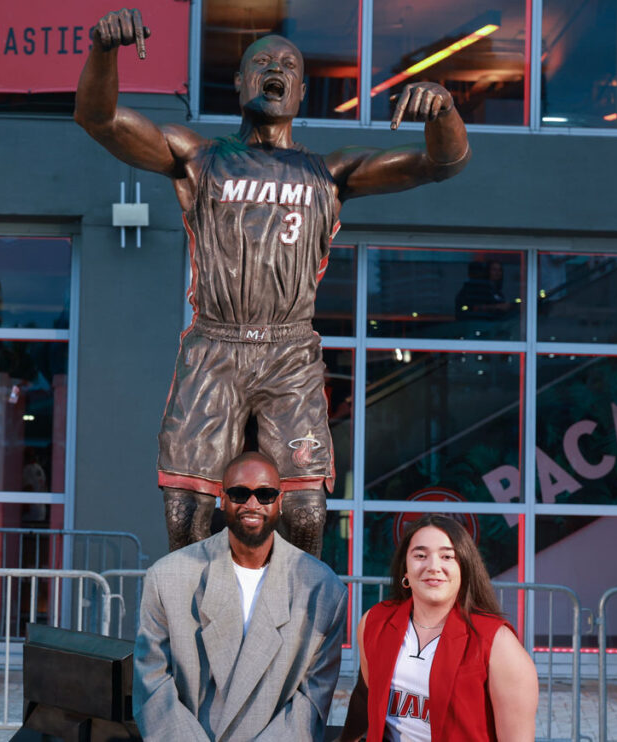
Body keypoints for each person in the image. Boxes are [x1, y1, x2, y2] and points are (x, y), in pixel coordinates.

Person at [75, 9, 472, 557]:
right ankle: (196, 634)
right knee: (187, 516)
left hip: (289, 350)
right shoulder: (198, 158)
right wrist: (102, 51)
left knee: (305, 517)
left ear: (302, 89)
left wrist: (444, 109)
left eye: (286, 63)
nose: (274, 68)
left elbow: (441, 163)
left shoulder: (329, 173)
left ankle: (291, 636)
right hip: (216, 343)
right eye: (260, 61)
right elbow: (99, 119)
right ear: (239, 83)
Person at [132, 451, 348, 740]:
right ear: (222, 499)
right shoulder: (167, 578)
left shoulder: (323, 591)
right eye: (239, 494)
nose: (252, 504)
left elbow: (311, 702)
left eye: (265, 494)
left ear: (280, 501)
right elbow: (153, 684)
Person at [343, 514, 537, 741]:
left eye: (447, 556)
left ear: (464, 567)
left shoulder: (499, 643)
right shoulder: (375, 622)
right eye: (420, 555)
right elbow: (365, 699)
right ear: (405, 568)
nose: (433, 566)